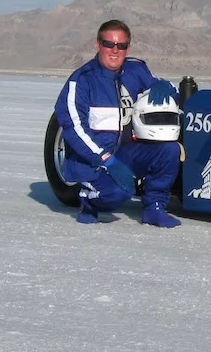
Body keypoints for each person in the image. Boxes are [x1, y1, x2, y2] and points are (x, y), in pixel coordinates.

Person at [54, 19, 182, 227]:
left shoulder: (136, 70)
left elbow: (166, 89)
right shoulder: (82, 81)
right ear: (98, 44)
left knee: (169, 150)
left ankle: (154, 208)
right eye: (109, 44)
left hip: (128, 151)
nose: (115, 50)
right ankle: (89, 200)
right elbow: (73, 128)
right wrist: (105, 159)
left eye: (121, 45)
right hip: (93, 161)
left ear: (127, 48)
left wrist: (166, 88)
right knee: (118, 193)